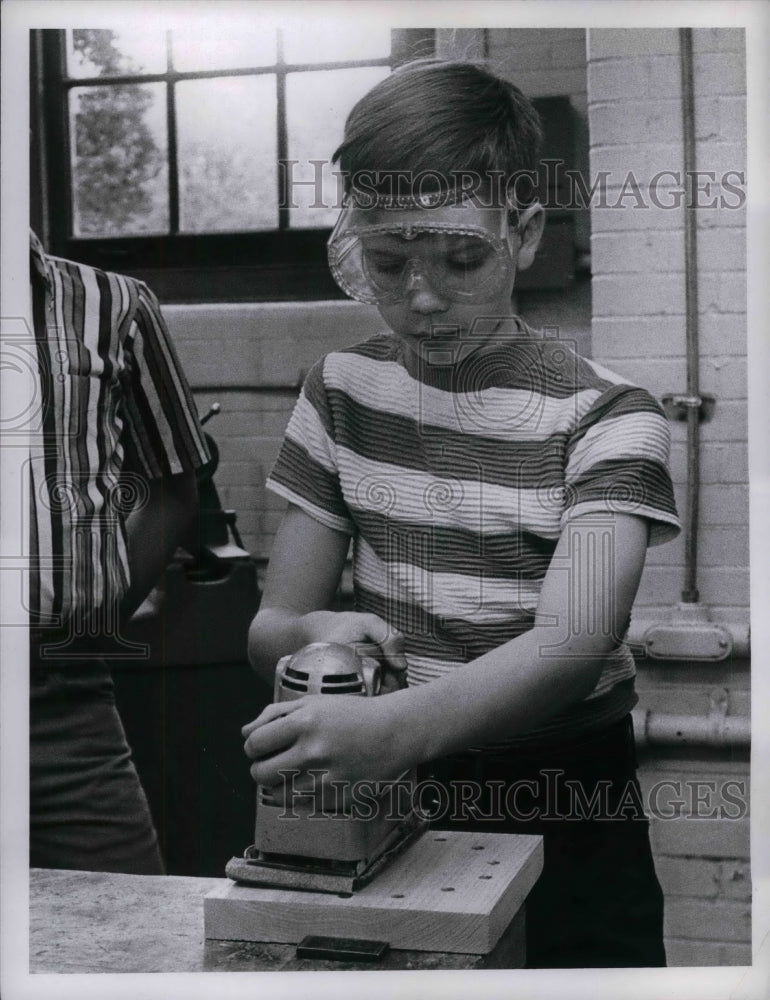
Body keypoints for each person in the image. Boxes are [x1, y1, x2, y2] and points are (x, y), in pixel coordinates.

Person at [242, 60, 680, 967]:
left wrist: (388, 731)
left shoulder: (607, 415)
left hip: (563, 798)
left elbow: (569, 648)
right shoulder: (340, 392)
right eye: (390, 262)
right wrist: (312, 632)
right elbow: (270, 625)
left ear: (521, 234)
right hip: (394, 784)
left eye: (461, 258)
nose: (425, 297)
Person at [28, 229, 210, 874]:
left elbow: (173, 487)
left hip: (59, 703)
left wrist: (95, 617)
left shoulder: (116, 304)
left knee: (133, 941)